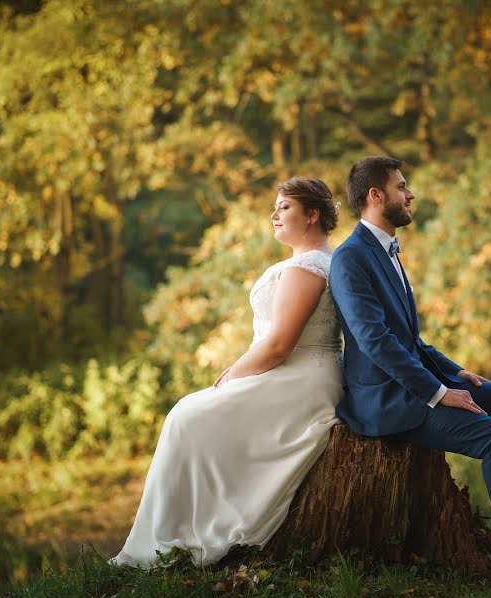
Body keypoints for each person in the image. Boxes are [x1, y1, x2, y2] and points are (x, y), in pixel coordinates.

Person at [328, 156, 491, 589]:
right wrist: (440, 392)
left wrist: (457, 372)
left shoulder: (388, 251)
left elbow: (411, 340)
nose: (410, 193)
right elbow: (376, 341)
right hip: (387, 399)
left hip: (417, 381)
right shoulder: (350, 259)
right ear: (375, 196)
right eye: (402, 186)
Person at [113, 177, 343, 567]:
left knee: (188, 417)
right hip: (295, 371)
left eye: (284, 206)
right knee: (188, 415)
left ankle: (176, 536)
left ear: (312, 214)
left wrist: (230, 377)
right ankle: (177, 531)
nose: (274, 214)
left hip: (300, 376)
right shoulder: (317, 262)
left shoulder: (309, 267)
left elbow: (279, 345)